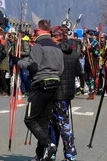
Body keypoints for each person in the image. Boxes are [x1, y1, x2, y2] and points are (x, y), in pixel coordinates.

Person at [20, 20, 64, 161]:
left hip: (41, 84)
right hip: (55, 84)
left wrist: (20, 62)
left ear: (39, 31)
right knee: (44, 122)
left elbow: (34, 67)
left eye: (35, 30)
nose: (33, 33)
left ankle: (48, 144)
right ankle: (41, 154)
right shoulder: (57, 47)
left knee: (30, 119)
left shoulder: (38, 46)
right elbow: (61, 69)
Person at [49, 26, 79, 161]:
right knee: (56, 122)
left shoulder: (54, 52)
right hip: (68, 92)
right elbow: (79, 71)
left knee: (61, 122)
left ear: (57, 37)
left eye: (52, 36)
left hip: (56, 91)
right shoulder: (73, 52)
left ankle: (70, 153)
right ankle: (52, 151)